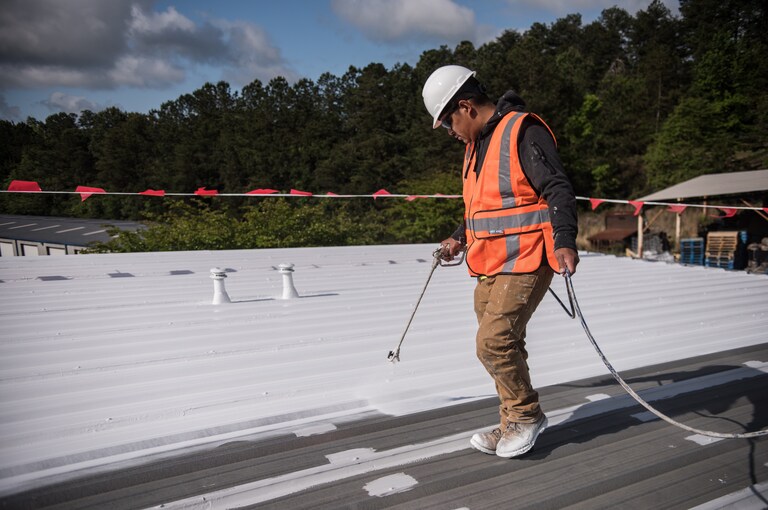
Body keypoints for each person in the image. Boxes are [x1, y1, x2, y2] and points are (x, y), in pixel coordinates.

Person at [422, 65, 580, 458]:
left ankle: (526, 417)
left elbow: (557, 185)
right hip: (489, 262)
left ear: (465, 107)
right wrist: (459, 238)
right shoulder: (476, 146)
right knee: (504, 344)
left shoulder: (522, 131)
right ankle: (511, 421)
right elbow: (487, 206)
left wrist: (565, 240)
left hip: (528, 259)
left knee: (493, 343)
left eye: (447, 123)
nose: (449, 132)